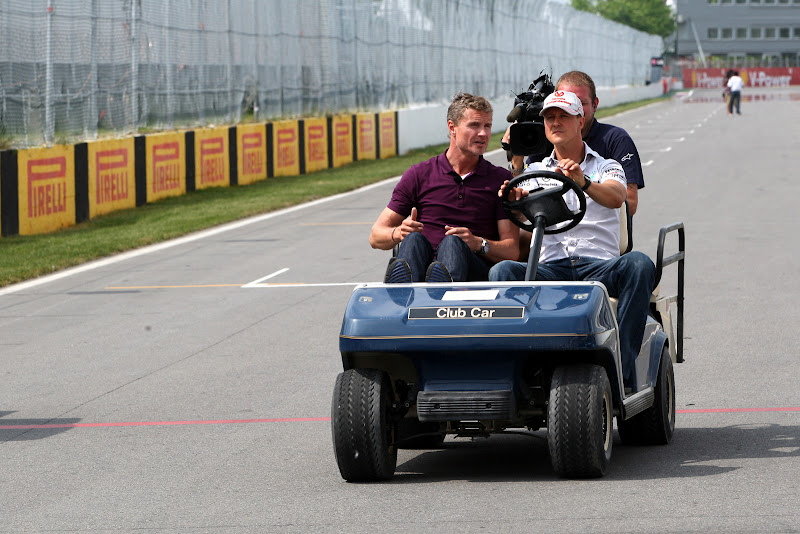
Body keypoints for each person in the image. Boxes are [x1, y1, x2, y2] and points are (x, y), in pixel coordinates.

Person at [491, 90, 655, 392]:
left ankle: (624, 364)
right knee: (501, 273)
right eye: (549, 117)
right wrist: (515, 199)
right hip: (551, 268)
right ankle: (516, 372)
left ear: (580, 121)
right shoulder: (535, 170)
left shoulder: (606, 165)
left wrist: (584, 182)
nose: (555, 122)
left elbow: (617, 197)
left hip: (599, 268)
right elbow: (523, 218)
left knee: (639, 264)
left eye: (563, 116)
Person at [369, 92, 520, 283]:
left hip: (472, 274)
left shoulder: (500, 180)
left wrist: (477, 243)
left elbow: (512, 251)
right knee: (413, 240)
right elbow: (376, 236)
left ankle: (439, 291)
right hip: (421, 266)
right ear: (452, 127)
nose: (483, 133)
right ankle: (403, 294)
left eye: (487, 126)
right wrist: (398, 233)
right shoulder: (419, 174)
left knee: (452, 243)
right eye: (474, 125)